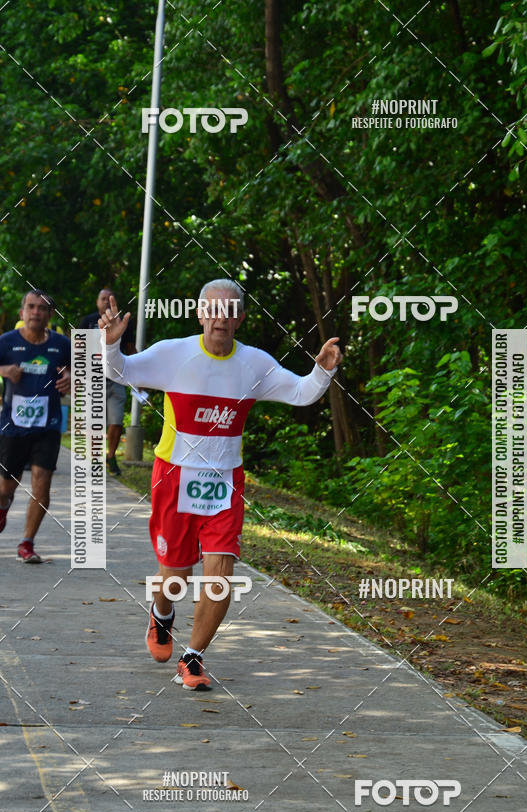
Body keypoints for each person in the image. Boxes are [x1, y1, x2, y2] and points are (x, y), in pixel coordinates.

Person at [101, 278, 342, 690]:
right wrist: (109, 345)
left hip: (225, 482)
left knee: (220, 572)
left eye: (230, 311)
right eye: (213, 310)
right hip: (175, 477)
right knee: (175, 575)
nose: (220, 318)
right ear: (200, 315)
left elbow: (301, 393)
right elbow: (120, 371)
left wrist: (322, 370)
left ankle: (192, 657)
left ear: (240, 319)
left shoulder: (255, 365)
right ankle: (162, 613)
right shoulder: (173, 354)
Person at [0, 290, 71, 562]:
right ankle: (4, 506)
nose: (35, 312)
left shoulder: (61, 345)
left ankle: (27, 543)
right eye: (31, 307)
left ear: (50, 315)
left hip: (48, 426)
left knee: (42, 481)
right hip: (13, 426)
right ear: (22, 312)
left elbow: (79, 372)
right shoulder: (7, 342)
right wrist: (4, 371)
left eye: (42, 308)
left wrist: (71, 378)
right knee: (5, 488)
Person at [79, 288, 135, 476]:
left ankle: (111, 456)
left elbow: (130, 349)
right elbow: (78, 348)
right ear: (97, 302)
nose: (105, 302)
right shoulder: (88, 321)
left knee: (116, 421)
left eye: (108, 298)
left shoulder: (122, 322)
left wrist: (138, 375)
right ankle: (95, 460)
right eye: (102, 298)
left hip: (116, 377)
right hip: (93, 379)